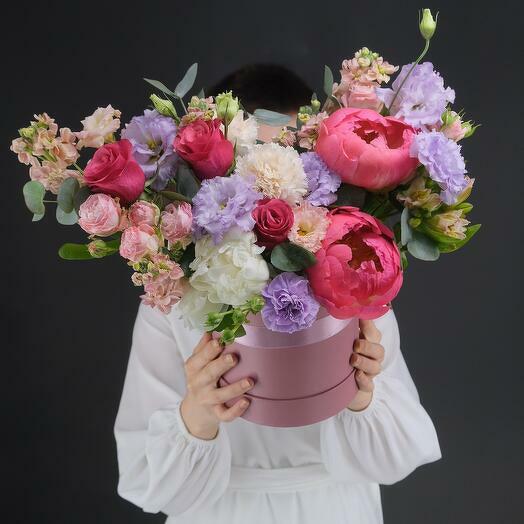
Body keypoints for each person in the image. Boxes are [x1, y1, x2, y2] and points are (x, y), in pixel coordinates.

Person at [114, 64, 441, 524]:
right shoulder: (175, 298)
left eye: (290, 159)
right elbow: (144, 480)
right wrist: (197, 416)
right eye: (252, 163)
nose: (272, 191)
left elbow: (397, 459)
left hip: (336, 508)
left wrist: (360, 393)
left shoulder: (352, 285)